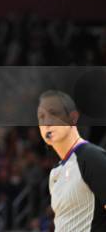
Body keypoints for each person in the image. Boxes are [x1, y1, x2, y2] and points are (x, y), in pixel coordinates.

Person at [38, 90, 106, 231]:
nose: (47, 122)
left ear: (73, 118)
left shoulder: (92, 157)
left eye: (54, 113)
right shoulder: (55, 172)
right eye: (41, 117)